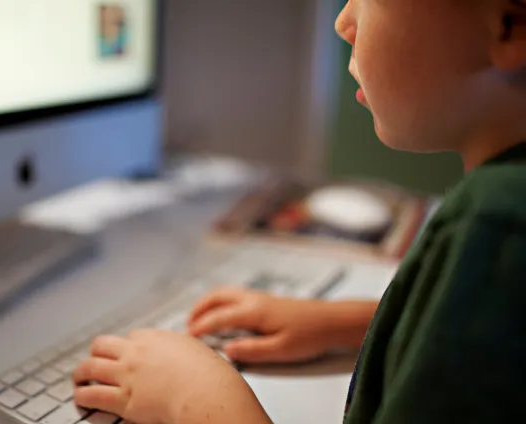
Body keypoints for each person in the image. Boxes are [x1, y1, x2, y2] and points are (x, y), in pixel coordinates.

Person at [72, 0, 526, 422]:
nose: (343, 23)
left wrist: (196, 398)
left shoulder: (498, 226)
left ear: (509, 26)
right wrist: (342, 324)